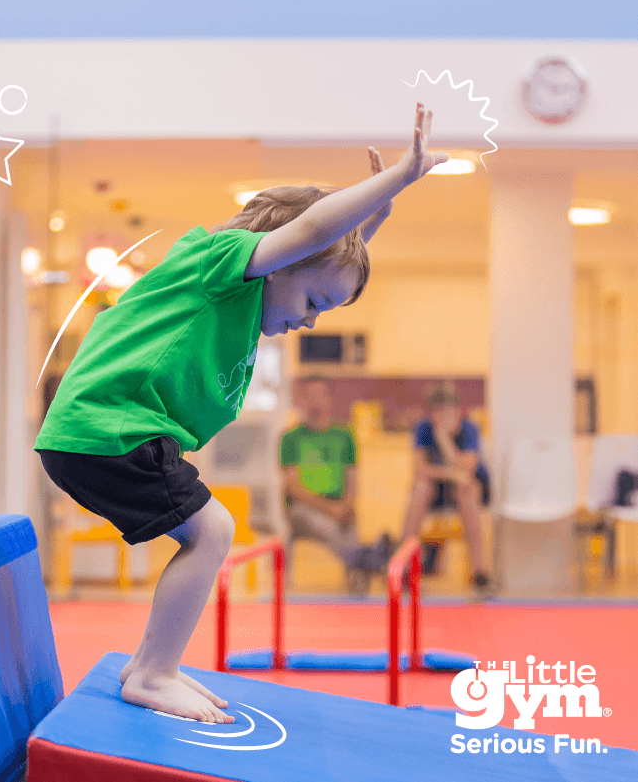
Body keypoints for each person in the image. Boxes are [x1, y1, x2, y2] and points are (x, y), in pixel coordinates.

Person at [35, 103, 448, 724]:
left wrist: (372, 220)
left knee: (209, 531)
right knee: (213, 532)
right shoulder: (219, 265)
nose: (310, 320)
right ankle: (152, 672)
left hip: (112, 432)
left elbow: (318, 257)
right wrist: (395, 178)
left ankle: (148, 662)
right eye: (313, 302)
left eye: (323, 311)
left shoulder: (245, 304)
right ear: (278, 262)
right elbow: (313, 236)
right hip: (108, 427)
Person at [279, 376, 392, 594]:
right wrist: (330, 509)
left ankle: (360, 567)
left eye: (319, 395)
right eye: (310, 396)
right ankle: (366, 558)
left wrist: (345, 506)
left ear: (329, 398)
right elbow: (293, 488)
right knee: (319, 522)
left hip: (340, 508)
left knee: (346, 523)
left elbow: (353, 481)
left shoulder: (345, 435)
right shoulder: (290, 438)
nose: (315, 401)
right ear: (302, 400)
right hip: (303, 511)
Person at [400, 383, 493, 598]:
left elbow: (468, 468)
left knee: (467, 490)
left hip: (467, 493)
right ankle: (405, 568)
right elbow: (420, 469)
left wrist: (444, 439)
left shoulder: (469, 429)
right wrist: (451, 474)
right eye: (439, 412)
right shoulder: (424, 428)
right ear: (431, 414)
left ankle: (479, 573)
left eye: (449, 412)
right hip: (437, 492)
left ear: (459, 411)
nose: (444, 418)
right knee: (420, 488)